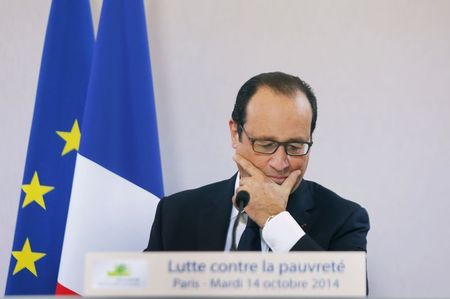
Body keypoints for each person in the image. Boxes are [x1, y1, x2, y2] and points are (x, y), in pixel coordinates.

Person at [145, 71, 369, 252]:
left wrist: (276, 220)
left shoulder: (344, 218)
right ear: (235, 133)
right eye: (265, 144)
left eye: (295, 147)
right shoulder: (176, 213)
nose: (280, 163)